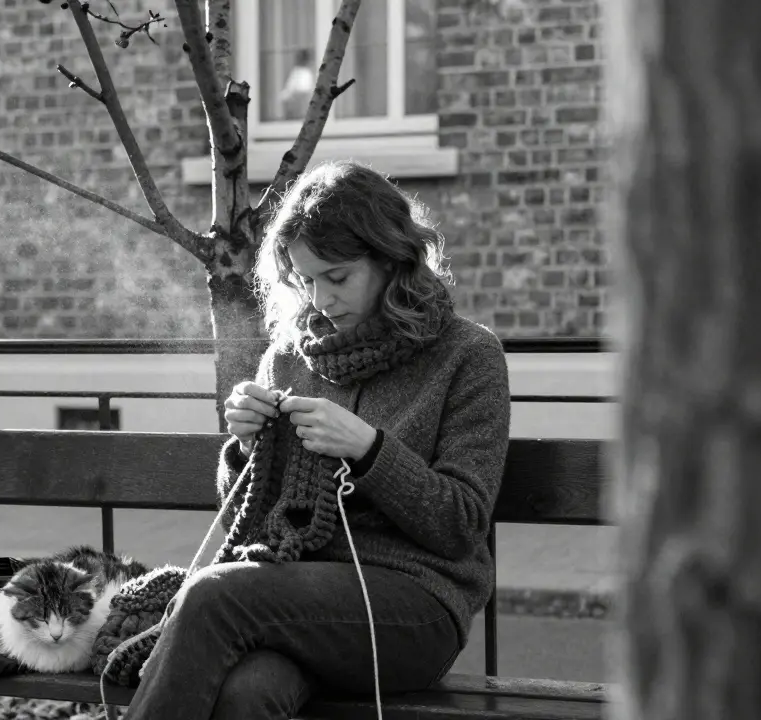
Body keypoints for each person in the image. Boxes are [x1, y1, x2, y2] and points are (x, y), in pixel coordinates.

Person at [121, 160, 512, 720]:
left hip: (414, 608)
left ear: (391, 259)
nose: (320, 298)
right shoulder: (289, 357)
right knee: (247, 695)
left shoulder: (467, 355)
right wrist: (248, 446)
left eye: (337, 276)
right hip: (291, 602)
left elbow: (461, 524)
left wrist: (370, 449)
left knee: (213, 594)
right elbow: (248, 522)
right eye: (305, 280)